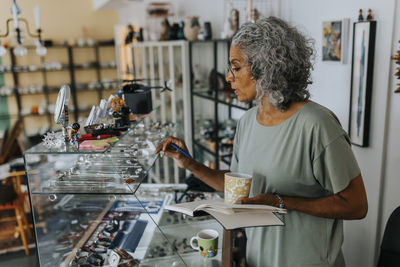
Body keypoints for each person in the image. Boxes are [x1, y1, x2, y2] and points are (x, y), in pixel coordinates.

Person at [155, 16, 368, 267]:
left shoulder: (317, 124)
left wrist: (281, 202)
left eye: (236, 67)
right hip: (259, 260)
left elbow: (356, 205)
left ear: (266, 67)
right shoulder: (247, 122)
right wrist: (189, 163)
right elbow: (237, 185)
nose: (228, 77)